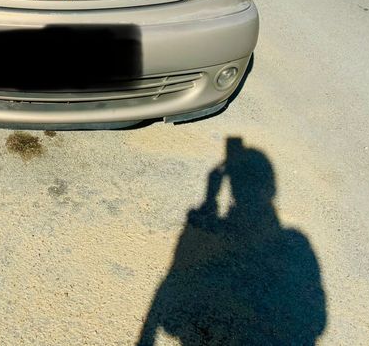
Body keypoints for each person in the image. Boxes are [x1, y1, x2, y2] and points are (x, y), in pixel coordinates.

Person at [138, 138, 326, 346]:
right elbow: (316, 321)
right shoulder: (295, 242)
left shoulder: (291, 242)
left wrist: (210, 200)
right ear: (270, 189)